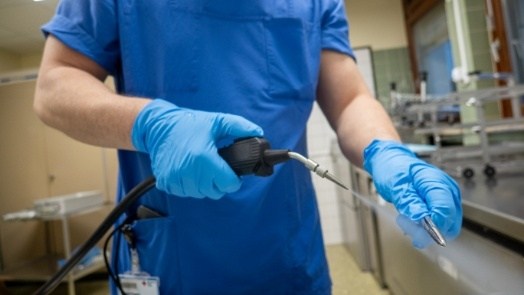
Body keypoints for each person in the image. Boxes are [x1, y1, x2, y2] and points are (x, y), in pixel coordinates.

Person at [34, 1, 462, 294]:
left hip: (288, 262)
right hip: (172, 264)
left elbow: (349, 98)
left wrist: (387, 152)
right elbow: (55, 86)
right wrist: (151, 124)